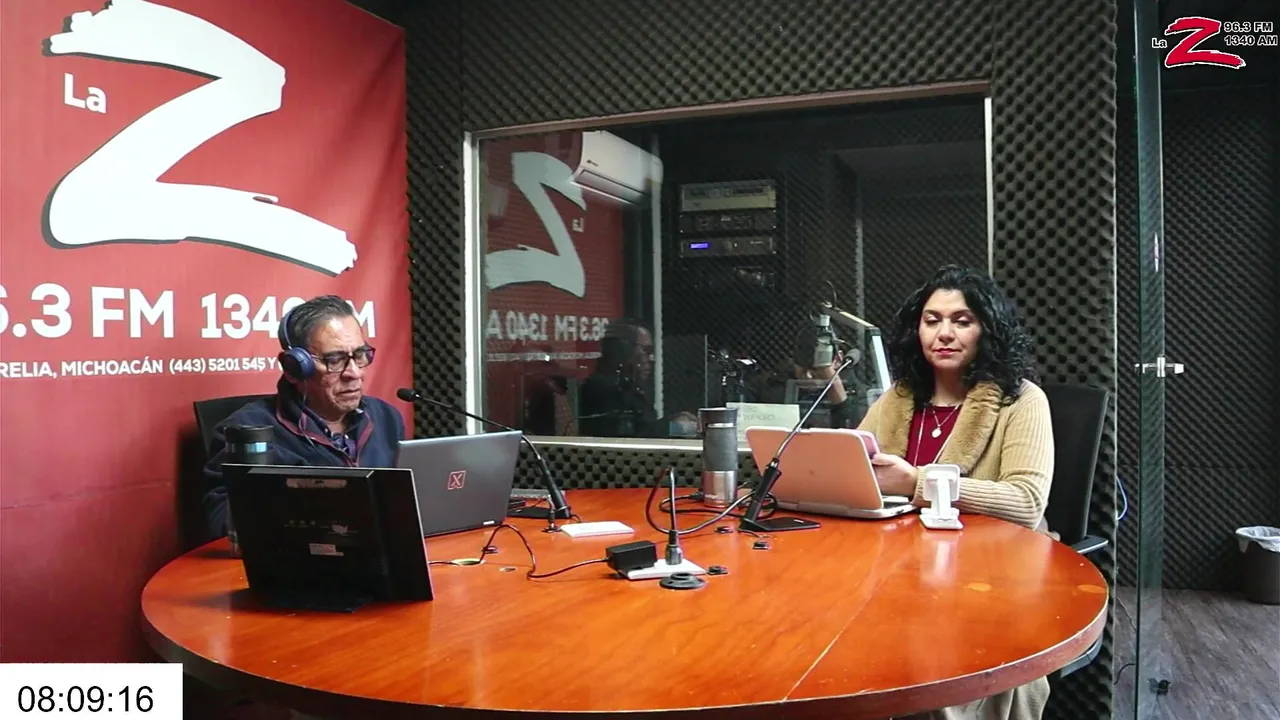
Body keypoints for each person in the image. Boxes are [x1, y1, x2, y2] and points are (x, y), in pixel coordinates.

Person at [857, 265, 1054, 720]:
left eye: (961, 321)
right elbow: (857, 467)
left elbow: (1026, 502)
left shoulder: (1022, 400)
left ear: (987, 330)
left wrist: (916, 483)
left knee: (930, 672)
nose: (944, 333)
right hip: (897, 571)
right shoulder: (897, 398)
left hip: (988, 574)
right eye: (932, 320)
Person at [201, 294, 406, 538]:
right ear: (293, 368)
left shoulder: (386, 417)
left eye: (360, 355)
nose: (354, 373)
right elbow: (223, 525)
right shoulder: (247, 432)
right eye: (335, 360)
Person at [577, 318, 696, 438]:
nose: (652, 358)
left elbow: (645, 424)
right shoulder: (604, 390)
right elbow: (635, 434)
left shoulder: (627, 387)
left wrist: (672, 419)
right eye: (646, 351)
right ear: (623, 350)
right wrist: (678, 427)